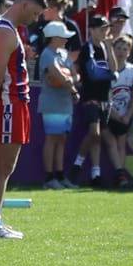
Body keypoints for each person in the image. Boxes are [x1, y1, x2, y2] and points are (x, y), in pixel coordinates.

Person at [0, 0, 42, 237]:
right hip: (7, 102)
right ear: (24, 6)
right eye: (35, 13)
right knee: (3, 165)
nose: (35, 19)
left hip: (13, 101)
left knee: (7, 166)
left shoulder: (8, 30)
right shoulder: (5, 31)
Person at [71, 12, 113, 187]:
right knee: (94, 133)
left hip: (105, 97)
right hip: (91, 96)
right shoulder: (86, 48)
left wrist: (110, 49)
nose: (104, 33)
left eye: (106, 29)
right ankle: (77, 164)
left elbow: (114, 69)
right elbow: (93, 73)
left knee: (98, 137)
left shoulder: (105, 48)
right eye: (100, 29)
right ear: (92, 31)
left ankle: (96, 173)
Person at [36, 22, 75, 189]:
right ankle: (49, 177)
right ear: (54, 37)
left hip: (65, 102)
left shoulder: (64, 54)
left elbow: (73, 75)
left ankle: (59, 174)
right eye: (63, 36)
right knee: (52, 138)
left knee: (62, 138)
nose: (66, 40)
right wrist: (71, 85)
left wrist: (70, 81)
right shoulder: (47, 54)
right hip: (52, 103)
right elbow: (57, 75)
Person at [105, 33, 133, 185]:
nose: (121, 52)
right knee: (110, 141)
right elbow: (105, 94)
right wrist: (112, 113)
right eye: (118, 48)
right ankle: (119, 172)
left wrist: (127, 115)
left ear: (129, 51)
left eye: (124, 49)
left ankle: (120, 174)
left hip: (125, 114)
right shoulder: (107, 68)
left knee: (121, 142)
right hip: (108, 113)